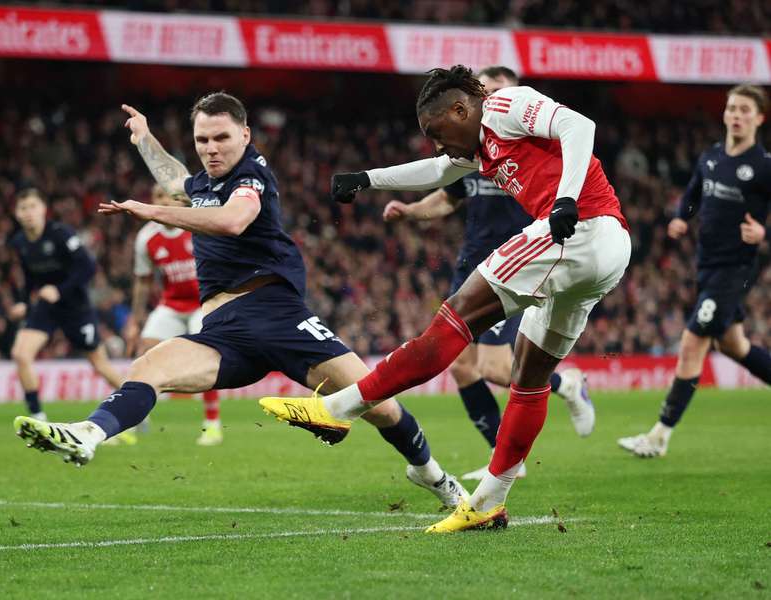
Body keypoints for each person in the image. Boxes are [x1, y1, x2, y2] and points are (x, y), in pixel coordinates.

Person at [13, 93, 471, 509]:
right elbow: (180, 181)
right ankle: (88, 434)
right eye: (202, 140)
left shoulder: (251, 176)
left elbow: (233, 221)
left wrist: (150, 211)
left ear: (245, 135)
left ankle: (431, 475)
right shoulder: (206, 183)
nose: (211, 148)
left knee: (382, 407)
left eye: (221, 138)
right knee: (147, 368)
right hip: (223, 331)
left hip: (277, 316)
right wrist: (145, 140)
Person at [260, 65, 631, 532]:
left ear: (461, 109)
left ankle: (338, 409)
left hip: (580, 231)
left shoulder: (503, 105)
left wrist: (565, 200)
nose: (439, 143)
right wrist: (367, 179)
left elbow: (580, 126)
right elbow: (436, 170)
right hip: (603, 251)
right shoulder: (478, 148)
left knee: (453, 322)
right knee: (528, 376)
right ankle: (488, 502)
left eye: (438, 132)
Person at [382, 66, 593, 481]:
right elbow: (446, 199)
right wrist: (409, 211)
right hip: (472, 263)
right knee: (461, 367)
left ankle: (566, 386)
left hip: (515, 261)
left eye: (496, 91)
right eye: (484, 91)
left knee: (498, 368)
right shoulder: (474, 149)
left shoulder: (529, 141)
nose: (489, 101)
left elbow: (574, 137)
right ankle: (506, 458)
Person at [619, 84, 771, 458]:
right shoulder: (712, 157)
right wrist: (681, 219)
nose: (736, 115)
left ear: (759, 118)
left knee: (692, 342)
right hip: (707, 264)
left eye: (745, 110)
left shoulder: (764, 165)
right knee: (732, 344)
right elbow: (693, 195)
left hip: (736, 267)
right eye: (732, 108)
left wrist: (764, 232)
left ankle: (659, 435)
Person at [8, 188, 124, 420]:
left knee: (99, 364)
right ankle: (37, 418)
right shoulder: (20, 242)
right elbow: (29, 277)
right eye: (23, 208)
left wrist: (60, 290)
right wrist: (23, 303)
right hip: (46, 307)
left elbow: (88, 267)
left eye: (32, 206)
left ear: (43, 209)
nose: (28, 212)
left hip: (75, 306)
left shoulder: (60, 234)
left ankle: (135, 405)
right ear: (17, 213)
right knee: (21, 354)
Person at [124, 183, 222, 446]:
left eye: (168, 195)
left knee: (206, 356)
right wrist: (135, 319)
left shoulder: (196, 227)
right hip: (172, 304)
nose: (163, 200)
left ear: (180, 200)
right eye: (157, 196)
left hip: (203, 303)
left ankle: (212, 425)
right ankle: (132, 420)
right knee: (144, 354)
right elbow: (143, 281)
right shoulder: (146, 238)